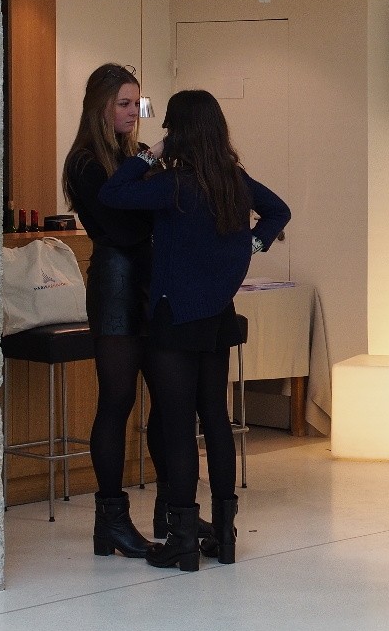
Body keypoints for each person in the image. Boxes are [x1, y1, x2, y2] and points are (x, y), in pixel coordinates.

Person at [101, 89, 290, 571]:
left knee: (178, 424)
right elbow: (278, 211)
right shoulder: (232, 180)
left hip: (174, 316)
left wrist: (148, 155)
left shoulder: (174, 185)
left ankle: (183, 539)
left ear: (178, 131)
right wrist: (252, 245)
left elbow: (113, 193)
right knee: (216, 420)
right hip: (217, 316)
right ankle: (224, 534)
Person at [62, 63, 163, 559]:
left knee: (166, 397)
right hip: (116, 283)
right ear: (100, 107)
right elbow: (122, 230)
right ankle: (111, 519)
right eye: (123, 104)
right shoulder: (85, 162)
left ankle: (172, 508)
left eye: (136, 104)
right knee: (117, 401)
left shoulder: (128, 157)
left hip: (146, 282)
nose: (132, 113)